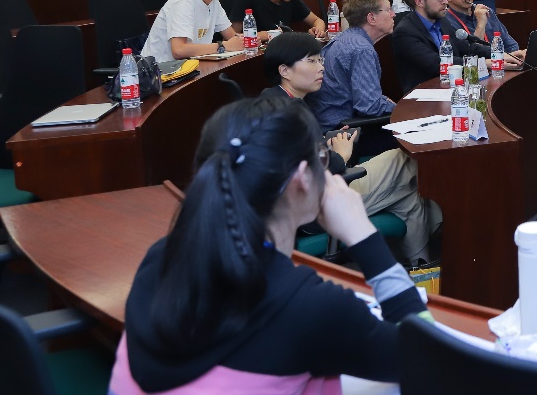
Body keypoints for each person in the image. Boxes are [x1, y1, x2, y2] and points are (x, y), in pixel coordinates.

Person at [107, 96, 429, 394]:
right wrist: (362, 235)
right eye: (322, 157)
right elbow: (428, 359)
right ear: (302, 178)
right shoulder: (313, 309)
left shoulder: (160, 257)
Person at [261, 33, 440, 264]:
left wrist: (325, 144)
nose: (321, 68)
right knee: (404, 157)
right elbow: (320, 169)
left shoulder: (272, 99)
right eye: (311, 61)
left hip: (292, 207)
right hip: (316, 207)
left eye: (321, 60)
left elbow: (297, 157)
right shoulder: (294, 112)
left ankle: (421, 267)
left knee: (408, 199)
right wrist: (340, 154)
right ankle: (448, 227)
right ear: (284, 70)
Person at [305, 0, 397, 130]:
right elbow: (370, 106)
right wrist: (399, 108)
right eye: (388, 9)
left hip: (325, 125)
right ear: (371, 18)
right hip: (342, 131)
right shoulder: (361, 50)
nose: (394, 14)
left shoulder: (343, 38)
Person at [391, 0, 483, 94]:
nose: (445, 1)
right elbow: (436, 63)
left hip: (450, 90)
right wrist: (480, 63)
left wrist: (498, 55)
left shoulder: (443, 22)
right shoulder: (404, 32)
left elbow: (467, 47)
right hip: (424, 98)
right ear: (419, 2)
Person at [442, 0, 525, 64]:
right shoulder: (446, 22)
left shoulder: (487, 11)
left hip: (503, 68)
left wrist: (515, 56)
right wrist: (481, 24)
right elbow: (471, 58)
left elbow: (511, 45)